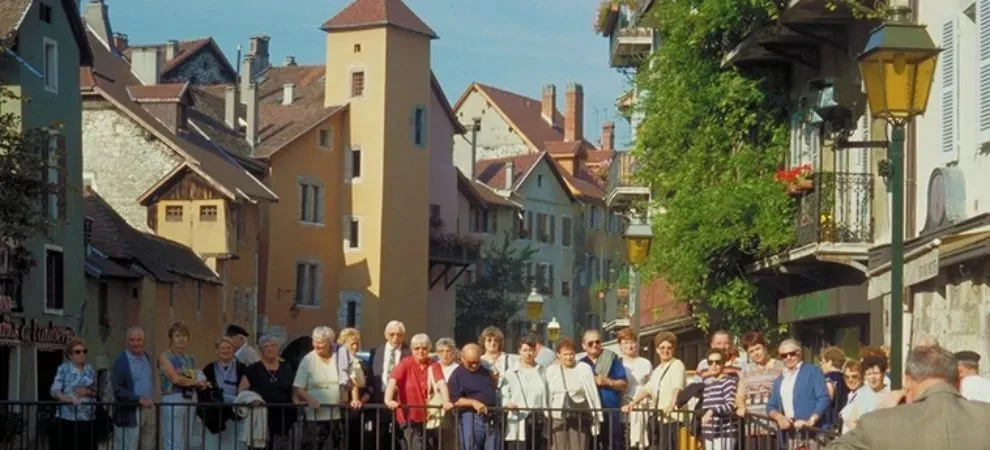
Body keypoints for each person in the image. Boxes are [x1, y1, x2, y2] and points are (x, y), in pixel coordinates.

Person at [825, 346, 990, 449]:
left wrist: (880, 412)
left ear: (908, 382)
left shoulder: (880, 423)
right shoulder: (984, 417)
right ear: (958, 383)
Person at [384, 333, 454, 450]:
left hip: (429, 415)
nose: (420, 351)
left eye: (424, 348)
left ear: (429, 349)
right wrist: (388, 400)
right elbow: (393, 380)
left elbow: (441, 383)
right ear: (411, 349)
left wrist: (447, 401)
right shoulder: (405, 363)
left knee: (430, 446)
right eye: (417, 348)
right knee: (417, 446)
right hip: (409, 415)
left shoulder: (434, 364)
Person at [622, 332, 686, 449]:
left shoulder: (677, 365)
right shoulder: (658, 370)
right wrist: (633, 403)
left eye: (669, 348)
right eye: (662, 348)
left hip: (673, 419)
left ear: (673, 349)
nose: (665, 351)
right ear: (657, 349)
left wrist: (672, 404)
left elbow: (678, 387)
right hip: (661, 418)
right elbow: (646, 389)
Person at [766, 339, 830, 449]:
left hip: (814, 434)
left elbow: (823, 398)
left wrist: (810, 421)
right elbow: (770, 406)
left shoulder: (812, 371)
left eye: (792, 353)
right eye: (784, 355)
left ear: (799, 353)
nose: (788, 358)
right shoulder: (780, 380)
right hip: (792, 435)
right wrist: (779, 417)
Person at [238, 334, 298, 450]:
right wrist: (251, 400)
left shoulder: (287, 368)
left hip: (284, 416)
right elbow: (241, 391)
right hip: (260, 416)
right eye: (265, 346)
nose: (269, 349)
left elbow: (295, 388)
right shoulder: (252, 369)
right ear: (260, 350)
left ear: (278, 348)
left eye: (272, 346)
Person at [159, 321, 210, 450]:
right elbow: (175, 379)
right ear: (171, 338)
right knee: (174, 440)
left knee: (188, 440)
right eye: (177, 336)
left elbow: (192, 377)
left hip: (190, 398)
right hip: (173, 398)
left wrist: (201, 382)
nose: (181, 339)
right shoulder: (165, 357)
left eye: (184, 336)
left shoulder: (190, 359)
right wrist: (196, 382)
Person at [546, 338, 602, 450]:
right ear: (558, 355)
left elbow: (592, 392)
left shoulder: (584, 369)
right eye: (565, 354)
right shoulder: (551, 370)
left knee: (579, 447)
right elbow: (547, 394)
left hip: (579, 415)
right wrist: (547, 415)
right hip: (557, 416)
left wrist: (597, 415)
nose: (568, 357)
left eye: (571, 354)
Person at [293, 326, 342, 450]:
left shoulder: (339, 357)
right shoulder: (308, 360)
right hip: (314, 416)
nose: (317, 345)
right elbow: (298, 386)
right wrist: (309, 399)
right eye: (315, 341)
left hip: (335, 414)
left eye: (321, 342)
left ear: (330, 342)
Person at [733, 331, 783, 448]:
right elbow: (740, 396)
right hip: (751, 427)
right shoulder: (745, 371)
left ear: (765, 347)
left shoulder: (780, 367)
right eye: (751, 351)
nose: (756, 353)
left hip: (773, 426)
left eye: (758, 348)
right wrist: (741, 406)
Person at [197, 336, 248, 450]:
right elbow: (203, 391)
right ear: (217, 351)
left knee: (235, 445)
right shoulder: (209, 368)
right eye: (222, 348)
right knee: (213, 446)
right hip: (214, 415)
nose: (226, 351)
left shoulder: (242, 368)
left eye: (228, 348)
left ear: (233, 350)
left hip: (236, 412)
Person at [579, 329, 627, 450]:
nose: (595, 345)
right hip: (589, 413)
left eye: (597, 342)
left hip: (609, 411)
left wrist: (608, 381)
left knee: (612, 445)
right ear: (584, 346)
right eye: (590, 343)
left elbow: (623, 384)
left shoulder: (611, 359)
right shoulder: (580, 364)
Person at [501, 336, 550, 450]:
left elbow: (548, 395)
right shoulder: (511, 373)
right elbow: (503, 395)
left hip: (539, 424)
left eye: (531, 350)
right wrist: (507, 404)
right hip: (517, 424)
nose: (528, 354)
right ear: (519, 351)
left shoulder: (542, 371)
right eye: (525, 350)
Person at [111, 327, 156, 450]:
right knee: (128, 447)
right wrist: (138, 399)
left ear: (144, 341)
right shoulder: (121, 361)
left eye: (139, 340)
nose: (136, 343)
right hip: (130, 412)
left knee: (149, 446)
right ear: (127, 341)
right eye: (132, 340)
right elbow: (117, 389)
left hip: (149, 409)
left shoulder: (147, 357)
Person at [450, 343, 502, 450]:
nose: (474, 365)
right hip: (471, 418)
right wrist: (473, 403)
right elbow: (454, 400)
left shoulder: (486, 370)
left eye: (476, 362)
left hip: (491, 417)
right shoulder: (457, 375)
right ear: (462, 358)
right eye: (470, 363)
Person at [50, 337, 98, 450]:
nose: (82, 354)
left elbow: (95, 392)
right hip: (67, 419)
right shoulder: (64, 369)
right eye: (77, 351)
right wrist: (69, 400)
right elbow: (54, 391)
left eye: (84, 351)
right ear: (70, 355)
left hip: (87, 419)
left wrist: (87, 392)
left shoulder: (90, 370)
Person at [370, 320, 411, 442]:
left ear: (403, 336)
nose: (395, 338)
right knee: (380, 435)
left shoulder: (409, 352)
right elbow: (372, 376)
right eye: (391, 334)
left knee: (401, 434)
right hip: (380, 398)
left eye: (399, 335)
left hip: (401, 399)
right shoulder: (376, 351)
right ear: (385, 334)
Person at [616, 328, 652, 449]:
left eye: (632, 342)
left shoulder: (645, 363)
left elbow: (651, 386)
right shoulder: (618, 364)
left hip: (642, 412)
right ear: (620, 346)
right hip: (624, 412)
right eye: (625, 343)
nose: (629, 346)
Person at [699, 348, 739, 450]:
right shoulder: (708, 385)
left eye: (717, 362)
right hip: (709, 435)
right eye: (710, 362)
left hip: (724, 434)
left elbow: (730, 405)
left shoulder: (729, 381)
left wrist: (712, 411)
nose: (713, 365)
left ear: (723, 364)